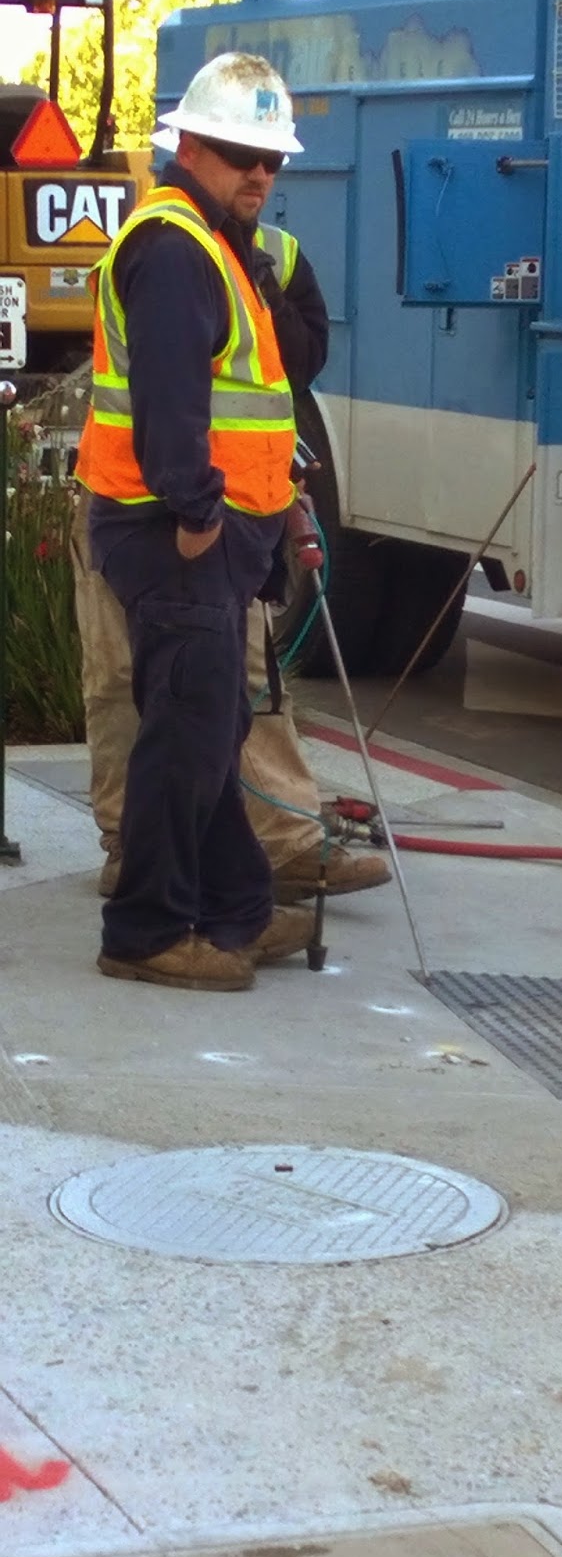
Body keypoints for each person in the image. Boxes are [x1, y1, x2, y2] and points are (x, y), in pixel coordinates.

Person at [75, 51, 382, 992]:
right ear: (191, 148)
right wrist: (200, 518)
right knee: (188, 733)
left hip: (206, 536)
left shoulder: (218, 246)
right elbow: (173, 408)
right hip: (174, 534)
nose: (259, 174)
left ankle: (232, 909)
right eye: (240, 153)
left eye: (272, 160)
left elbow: (251, 391)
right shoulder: (175, 249)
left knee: (204, 728)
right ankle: (150, 932)